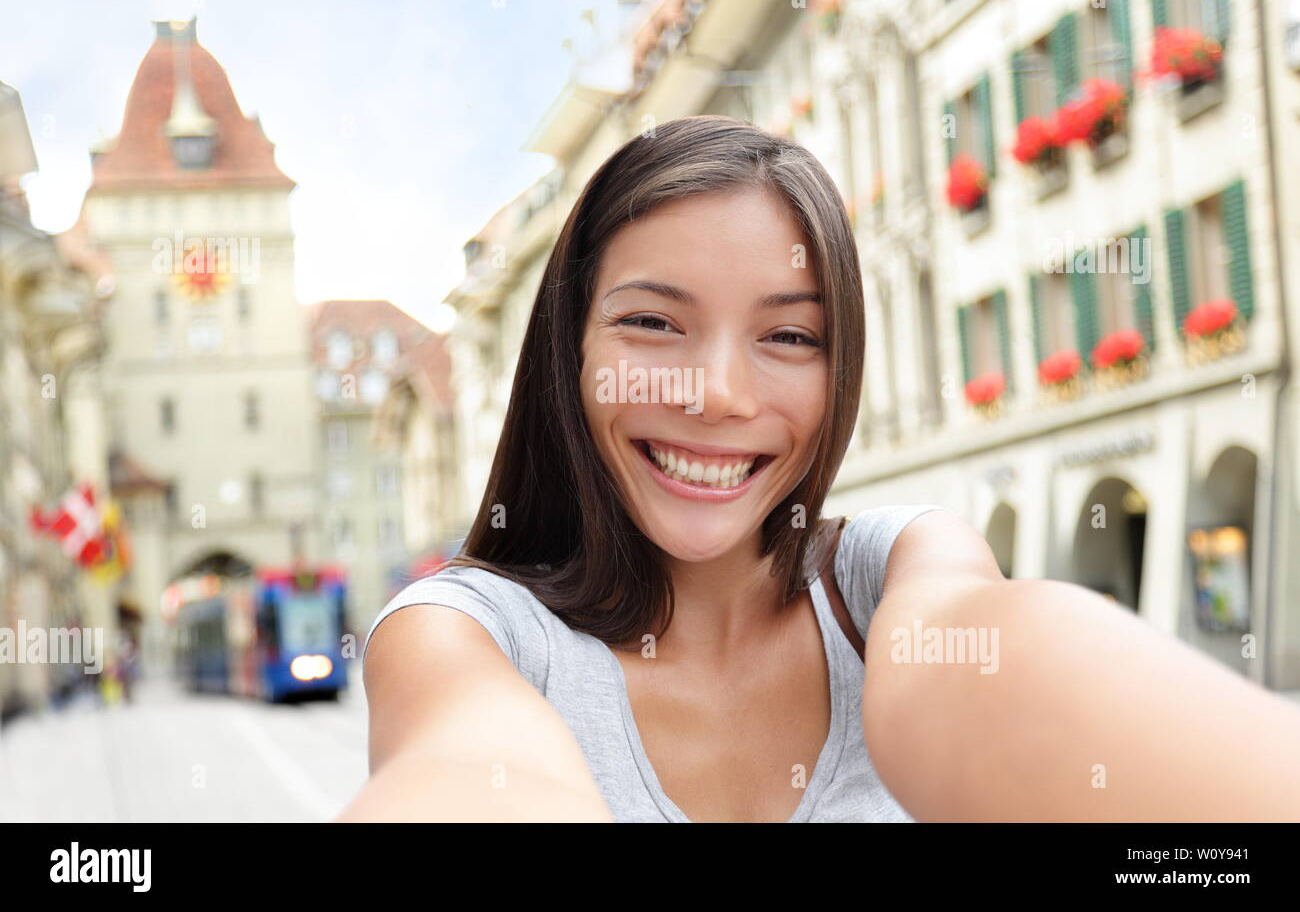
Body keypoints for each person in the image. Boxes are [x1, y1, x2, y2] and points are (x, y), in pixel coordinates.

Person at [339, 115, 1300, 822]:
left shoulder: (897, 577)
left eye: (791, 334)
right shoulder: (464, 636)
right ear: (569, 350)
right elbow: (467, 776)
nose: (717, 393)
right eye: (652, 322)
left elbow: (1006, 675)